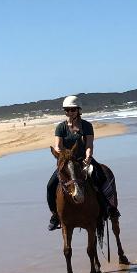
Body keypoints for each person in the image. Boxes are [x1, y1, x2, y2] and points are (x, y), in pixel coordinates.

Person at [47, 95, 95, 230]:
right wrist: (64, 155)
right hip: (67, 162)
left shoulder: (87, 126)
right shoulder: (60, 128)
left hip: (83, 160)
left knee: (102, 177)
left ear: (79, 110)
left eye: (72, 110)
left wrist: (88, 156)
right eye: (67, 110)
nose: (69, 112)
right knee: (50, 186)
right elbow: (57, 146)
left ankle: (110, 208)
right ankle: (55, 215)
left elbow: (89, 144)